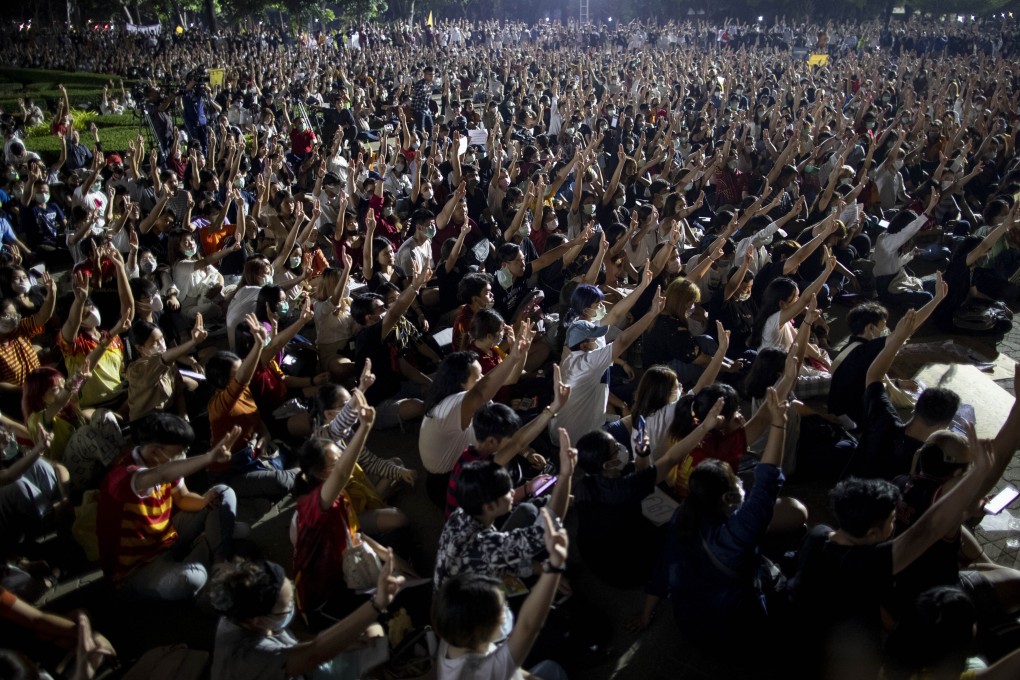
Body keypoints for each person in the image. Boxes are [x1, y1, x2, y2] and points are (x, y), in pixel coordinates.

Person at [790, 423, 1002, 680]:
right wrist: (978, 473)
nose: (895, 523)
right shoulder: (865, 564)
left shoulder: (818, 534)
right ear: (872, 534)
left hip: (804, 641)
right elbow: (927, 530)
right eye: (892, 519)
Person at [639, 387, 796, 661]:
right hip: (736, 637)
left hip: (690, 628)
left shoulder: (680, 520)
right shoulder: (740, 531)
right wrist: (779, 423)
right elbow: (768, 481)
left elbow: (662, 570)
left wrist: (644, 614)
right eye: (737, 481)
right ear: (729, 497)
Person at [434, 428, 575, 641]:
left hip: (462, 593)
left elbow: (494, 559)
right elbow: (544, 532)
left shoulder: (461, 514)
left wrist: (539, 568)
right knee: (547, 627)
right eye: (506, 492)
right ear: (490, 506)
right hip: (472, 624)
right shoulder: (485, 544)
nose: (512, 492)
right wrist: (566, 474)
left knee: (526, 511)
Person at [96, 414, 242, 601]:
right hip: (137, 570)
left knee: (223, 492)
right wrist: (209, 458)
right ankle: (213, 540)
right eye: (179, 452)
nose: (183, 457)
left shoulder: (165, 464)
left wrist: (205, 502)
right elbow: (162, 474)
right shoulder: (125, 475)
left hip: (167, 539)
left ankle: (219, 561)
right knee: (191, 579)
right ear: (156, 452)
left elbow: (183, 498)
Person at [209, 553, 403, 680]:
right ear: (257, 620)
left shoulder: (242, 612)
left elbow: (299, 646)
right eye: (287, 607)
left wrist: (344, 643)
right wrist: (377, 604)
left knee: (372, 632)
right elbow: (313, 653)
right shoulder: (249, 656)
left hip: (305, 667)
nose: (293, 606)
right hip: (303, 667)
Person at [434, 508, 569, 680]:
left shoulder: (453, 634)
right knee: (555, 670)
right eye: (502, 609)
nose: (506, 612)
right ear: (482, 629)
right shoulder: (481, 672)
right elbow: (528, 626)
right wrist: (554, 565)